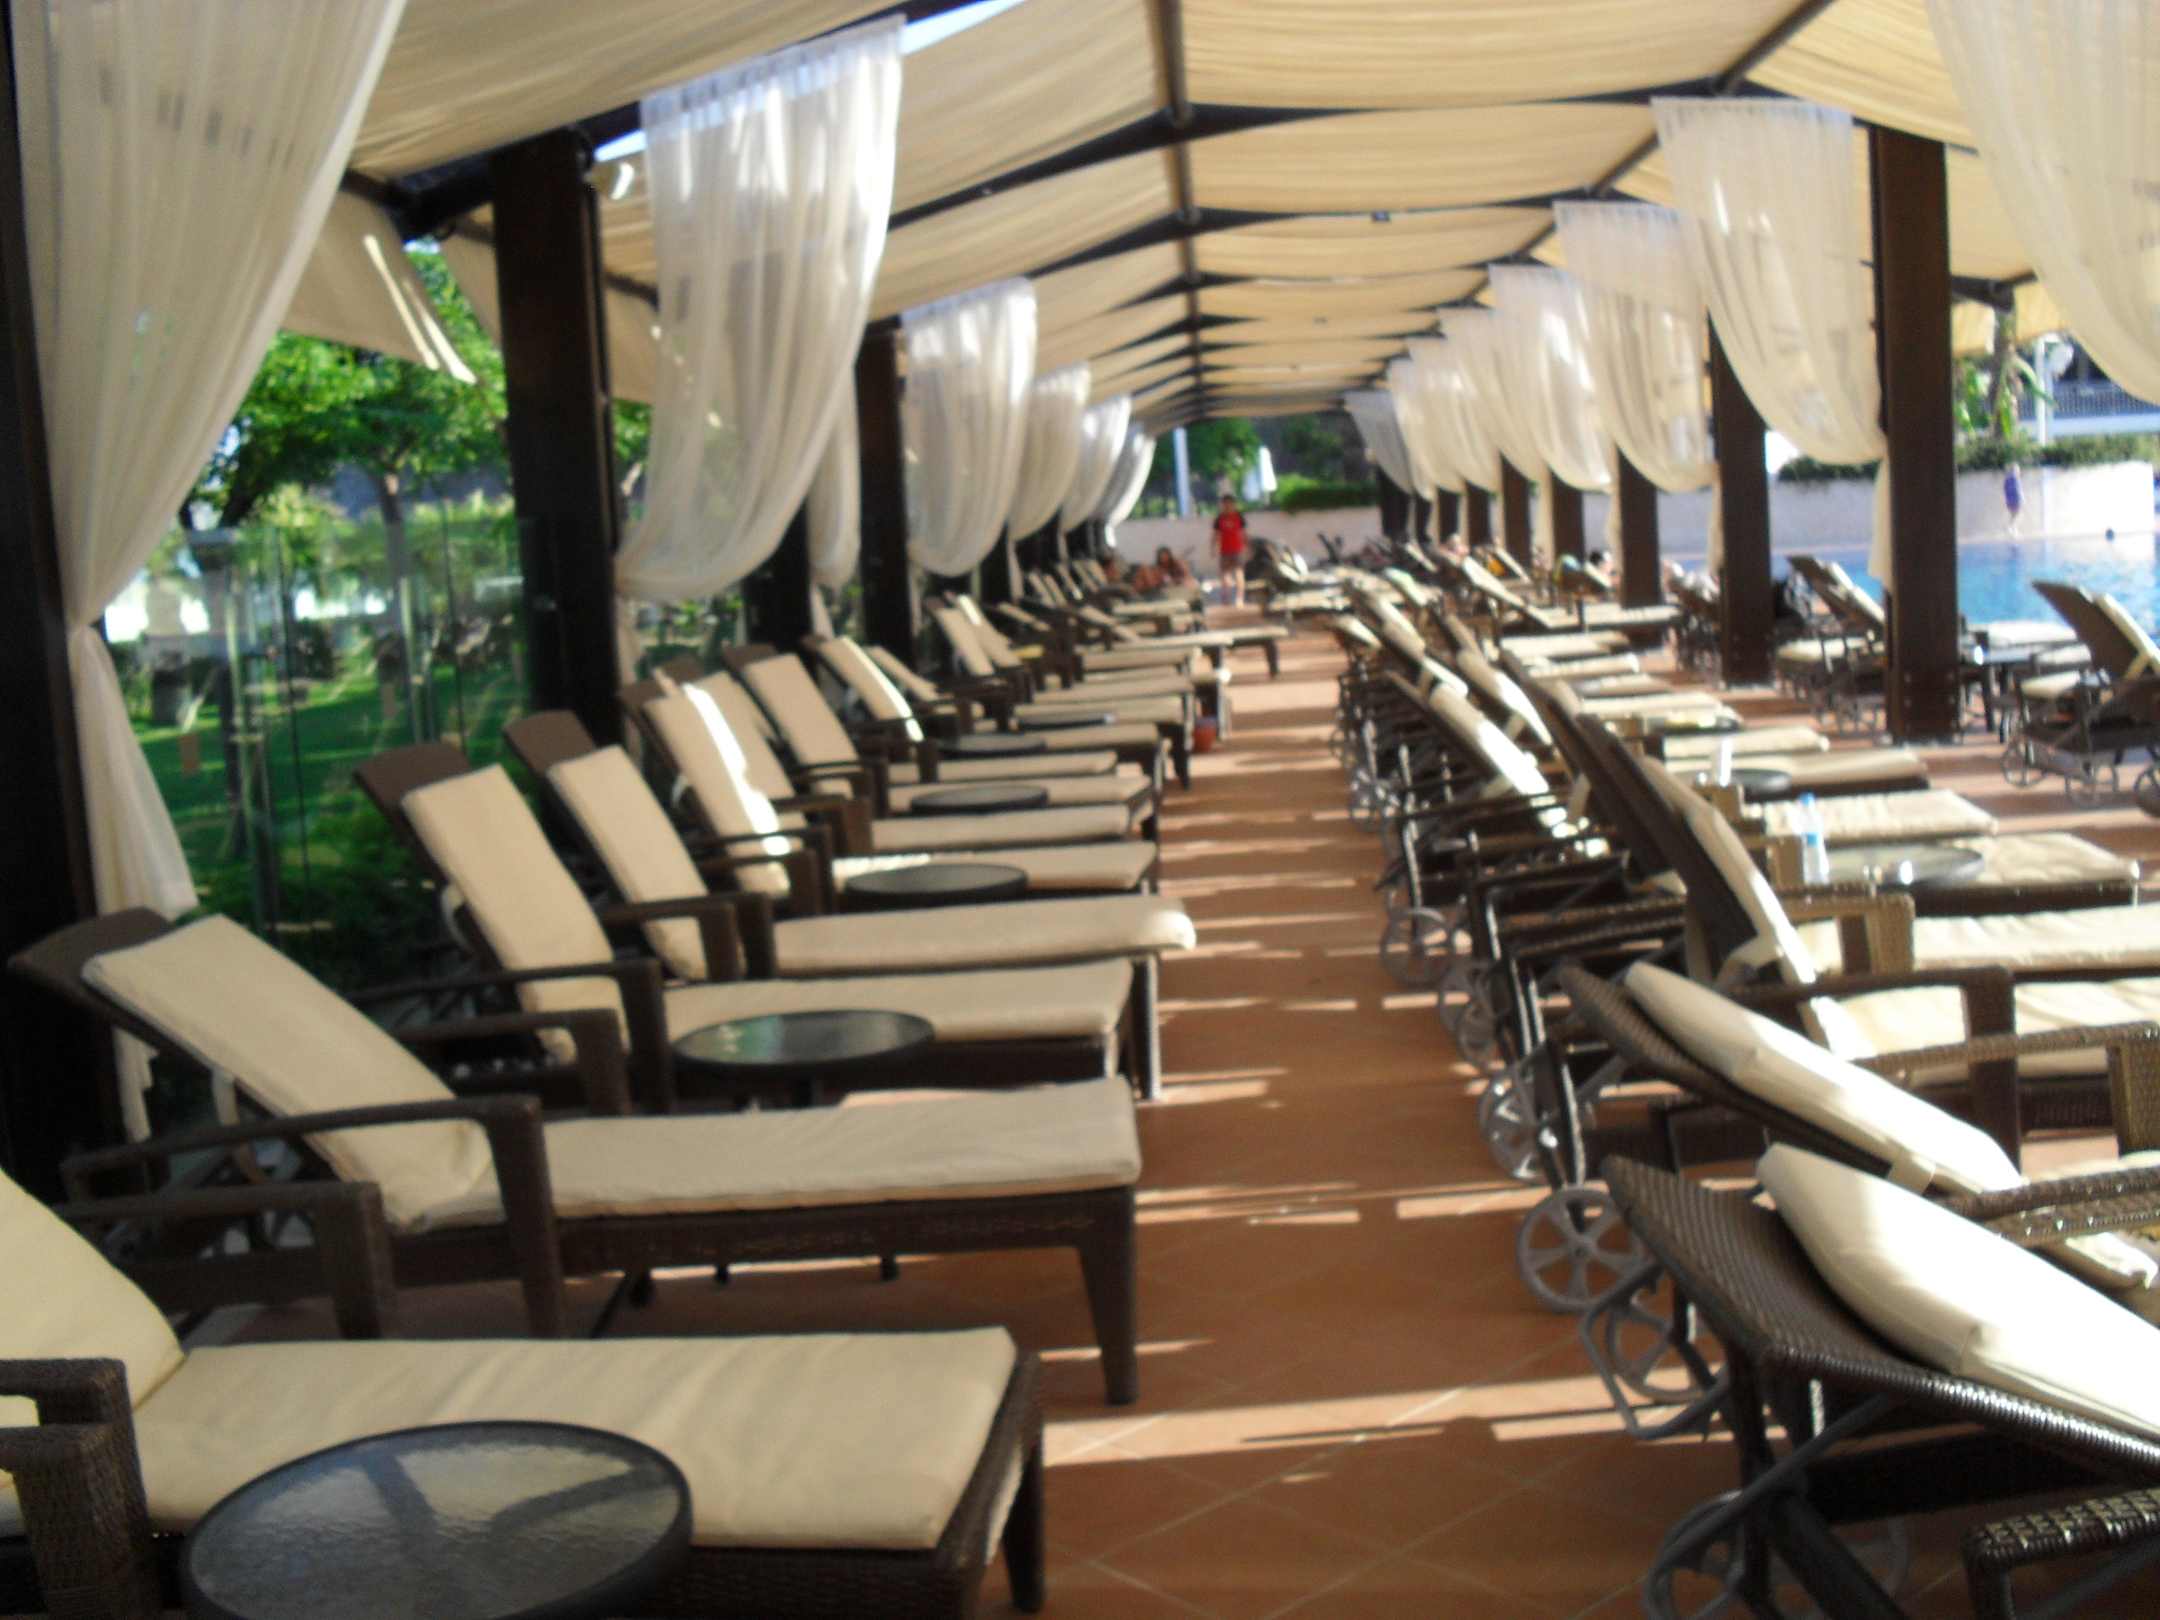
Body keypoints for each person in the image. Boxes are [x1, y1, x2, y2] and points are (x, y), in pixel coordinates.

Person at [1210, 493, 1247, 607]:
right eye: (1225, 504)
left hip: (1237, 550)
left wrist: (1246, 546)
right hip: (1224, 551)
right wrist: (1213, 548)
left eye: (1229, 503)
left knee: (1239, 573)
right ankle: (1226, 598)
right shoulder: (1219, 519)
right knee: (1224, 575)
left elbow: (1243, 533)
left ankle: (1240, 598)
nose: (1227, 506)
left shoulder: (1239, 517)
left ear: (1233, 504)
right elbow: (1215, 535)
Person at [2003, 461, 2024, 538]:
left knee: (2013, 515)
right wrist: (2022, 498)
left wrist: (2007, 499)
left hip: (2009, 500)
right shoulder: (2015, 478)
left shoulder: (2007, 479)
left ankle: (2013, 530)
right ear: (2015, 470)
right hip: (2016, 499)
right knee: (2016, 515)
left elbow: (2005, 490)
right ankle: (2012, 529)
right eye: (2018, 469)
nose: (2019, 470)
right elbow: (2018, 490)